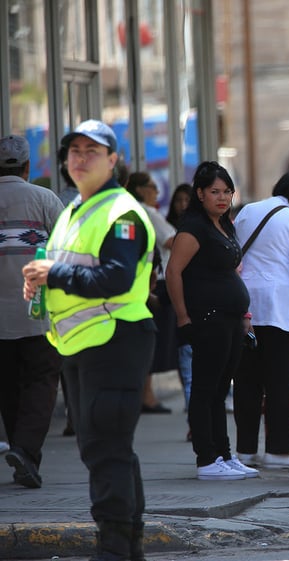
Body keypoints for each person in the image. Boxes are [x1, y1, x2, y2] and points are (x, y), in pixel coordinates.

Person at [21, 120, 156, 560]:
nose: (80, 158)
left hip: (115, 341)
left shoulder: (123, 213)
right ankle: (127, 546)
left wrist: (53, 273)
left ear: (114, 160)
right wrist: (41, 282)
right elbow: (65, 269)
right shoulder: (74, 211)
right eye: (74, 151)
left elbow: (115, 278)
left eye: (91, 151)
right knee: (104, 447)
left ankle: (115, 549)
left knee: (106, 449)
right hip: (81, 345)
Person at [166, 160, 256, 481]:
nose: (222, 197)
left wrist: (244, 315)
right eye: (214, 191)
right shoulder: (193, 228)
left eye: (227, 191)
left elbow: (231, 270)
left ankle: (225, 455)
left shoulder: (225, 224)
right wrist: (182, 316)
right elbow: (173, 272)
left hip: (231, 319)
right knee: (205, 390)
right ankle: (206, 458)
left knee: (220, 391)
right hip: (207, 318)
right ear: (200, 193)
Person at [231, 171, 289, 469]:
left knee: (247, 382)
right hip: (277, 310)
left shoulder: (246, 212)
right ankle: (278, 451)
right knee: (278, 383)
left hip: (244, 306)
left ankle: (245, 451)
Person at [0, 134, 64, 489]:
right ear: (27, 167)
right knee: (41, 383)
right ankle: (25, 450)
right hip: (39, 312)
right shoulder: (44, 199)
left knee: (8, 386)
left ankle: (22, 452)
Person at [126, 171, 177, 414]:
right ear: (140, 189)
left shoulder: (135, 211)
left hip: (146, 281)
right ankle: (146, 395)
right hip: (155, 281)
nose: (156, 191)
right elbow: (171, 241)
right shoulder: (147, 212)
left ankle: (146, 394)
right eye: (152, 187)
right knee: (151, 341)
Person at [166, 182, 194, 414]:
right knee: (188, 367)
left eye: (188, 200)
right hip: (182, 305)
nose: (183, 205)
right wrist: (183, 315)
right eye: (179, 200)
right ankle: (193, 419)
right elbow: (173, 271)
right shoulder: (175, 231)